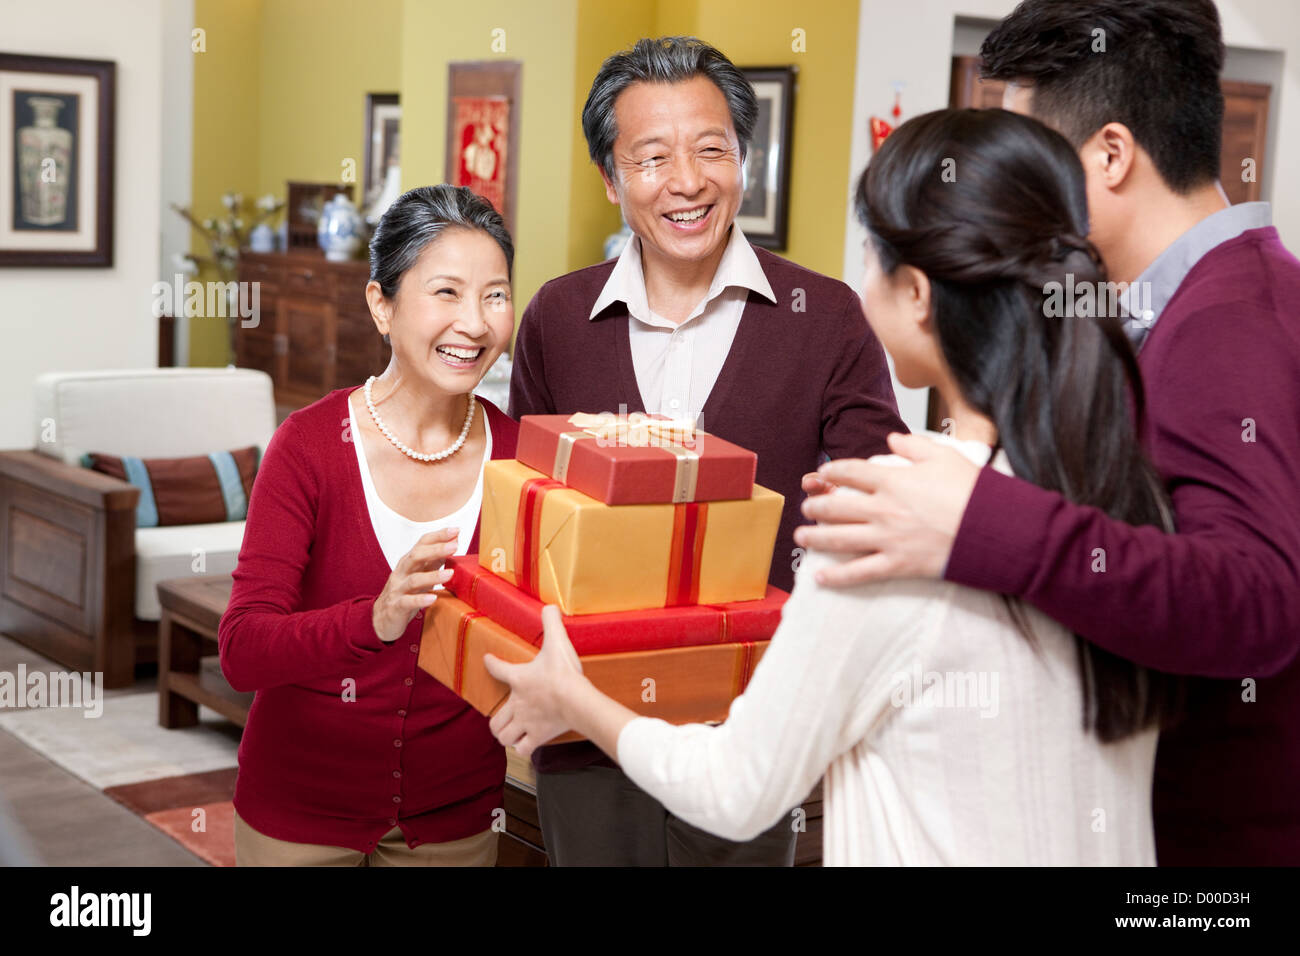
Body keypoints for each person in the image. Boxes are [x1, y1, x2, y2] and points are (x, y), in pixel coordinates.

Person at [485, 107, 1181, 865]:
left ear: (915, 294)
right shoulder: (1123, 497)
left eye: (871, 256)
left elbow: (737, 786)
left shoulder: (882, 531)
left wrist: (571, 698)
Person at [796, 0, 1300, 865]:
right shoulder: (1168, 307)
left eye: (1034, 162)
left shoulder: (1231, 324)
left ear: (1110, 155)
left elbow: (1255, 599)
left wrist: (974, 522)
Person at [508, 35, 905, 866]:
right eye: (651, 158)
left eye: (709, 149)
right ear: (613, 181)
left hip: (756, 728)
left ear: (744, 164)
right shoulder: (556, 318)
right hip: (587, 723)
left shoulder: (827, 318)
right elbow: (528, 518)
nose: (685, 181)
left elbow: (874, 521)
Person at [218, 185, 520, 866]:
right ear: (382, 305)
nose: (474, 323)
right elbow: (243, 648)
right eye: (446, 292)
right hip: (300, 809)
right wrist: (376, 619)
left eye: (495, 295)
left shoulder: (522, 456)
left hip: (457, 816)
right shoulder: (309, 446)